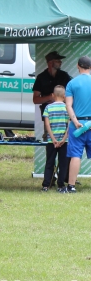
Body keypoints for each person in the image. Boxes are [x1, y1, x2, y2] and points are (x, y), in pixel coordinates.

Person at [64, 56, 91, 193]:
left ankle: (71, 186)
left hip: (78, 125)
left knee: (75, 155)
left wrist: (75, 121)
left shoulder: (72, 83)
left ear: (78, 66)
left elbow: (68, 105)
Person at [42, 85, 69, 192]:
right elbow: (69, 126)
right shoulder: (67, 108)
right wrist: (63, 139)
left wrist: (53, 138)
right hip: (64, 141)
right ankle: (61, 185)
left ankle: (45, 185)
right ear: (64, 96)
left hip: (51, 141)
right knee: (63, 164)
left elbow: (47, 125)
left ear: (52, 95)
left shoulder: (48, 107)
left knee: (49, 162)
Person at [33, 51, 72, 118]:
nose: (60, 62)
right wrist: (49, 97)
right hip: (48, 115)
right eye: (58, 60)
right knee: (47, 129)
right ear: (50, 63)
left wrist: (57, 99)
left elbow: (71, 95)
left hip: (63, 115)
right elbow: (35, 100)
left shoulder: (64, 76)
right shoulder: (41, 77)